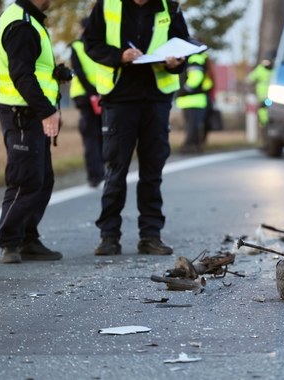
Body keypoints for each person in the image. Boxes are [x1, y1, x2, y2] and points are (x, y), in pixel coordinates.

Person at [83, 0, 189, 256]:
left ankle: (150, 236)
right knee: (116, 170)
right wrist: (119, 56)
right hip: (120, 99)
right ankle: (109, 236)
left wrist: (177, 63)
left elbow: (183, 45)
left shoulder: (169, 7)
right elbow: (91, 44)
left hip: (156, 100)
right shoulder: (107, 5)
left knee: (152, 172)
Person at [0, 0, 68, 264]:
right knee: (25, 178)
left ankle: (27, 239)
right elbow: (21, 75)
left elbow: (33, 68)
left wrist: (56, 74)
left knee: (42, 179)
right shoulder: (22, 25)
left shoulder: (31, 19)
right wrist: (47, 111)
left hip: (29, 112)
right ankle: (10, 243)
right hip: (22, 114)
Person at [69, 18, 105, 187]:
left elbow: (79, 72)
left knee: (92, 137)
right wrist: (95, 93)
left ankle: (96, 176)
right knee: (98, 136)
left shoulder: (77, 46)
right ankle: (99, 174)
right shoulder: (102, 43)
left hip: (88, 95)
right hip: (96, 95)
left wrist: (93, 93)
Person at [176, 51, 214, 153]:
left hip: (192, 99)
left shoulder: (195, 58)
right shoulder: (200, 58)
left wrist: (184, 90)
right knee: (194, 125)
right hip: (194, 100)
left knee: (192, 126)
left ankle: (188, 145)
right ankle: (196, 146)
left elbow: (196, 77)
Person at [247, 51, 274, 128]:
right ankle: (265, 123)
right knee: (263, 109)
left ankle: (268, 123)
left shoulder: (275, 69)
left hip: (274, 95)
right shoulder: (260, 69)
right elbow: (250, 78)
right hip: (263, 96)